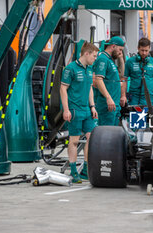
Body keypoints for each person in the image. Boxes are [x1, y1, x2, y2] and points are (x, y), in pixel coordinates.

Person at [60, 42, 99, 183]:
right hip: (74, 110)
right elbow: (63, 89)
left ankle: (85, 170)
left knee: (92, 138)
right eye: (94, 56)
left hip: (86, 110)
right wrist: (66, 110)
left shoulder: (89, 69)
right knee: (74, 141)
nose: (95, 59)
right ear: (86, 53)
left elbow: (89, 88)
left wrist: (93, 106)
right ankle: (74, 171)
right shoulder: (70, 69)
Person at [93, 36, 125, 126]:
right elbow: (98, 80)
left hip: (114, 104)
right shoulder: (103, 59)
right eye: (119, 50)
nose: (120, 52)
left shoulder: (110, 60)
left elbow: (121, 75)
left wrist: (121, 58)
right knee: (106, 135)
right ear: (113, 46)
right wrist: (108, 98)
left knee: (113, 135)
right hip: (107, 105)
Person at [124, 38, 153, 106]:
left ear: (149, 49)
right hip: (134, 97)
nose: (144, 53)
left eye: (146, 50)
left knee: (149, 116)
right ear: (138, 48)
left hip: (150, 98)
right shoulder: (130, 62)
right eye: (142, 50)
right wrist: (123, 95)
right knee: (133, 115)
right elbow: (124, 80)